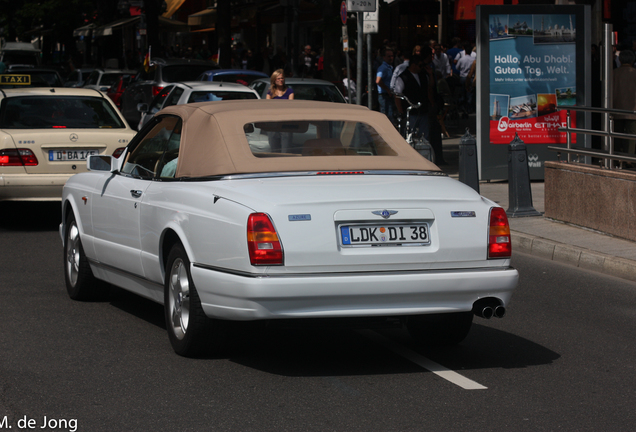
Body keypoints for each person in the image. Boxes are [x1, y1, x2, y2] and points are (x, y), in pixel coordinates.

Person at [612, 50, 636, 154]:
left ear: (620, 60)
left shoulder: (613, 73)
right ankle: (628, 159)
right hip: (633, 110)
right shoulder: (635, 73)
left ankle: (616, 158)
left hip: (616, 109)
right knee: (631, 135)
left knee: (617, 135)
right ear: (632, 60)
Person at [376, 47, 395, 122]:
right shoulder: (382, 68)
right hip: (384, 96)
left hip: (388, 95)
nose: (391, 58)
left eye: (392, 56)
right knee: (386, 117)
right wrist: (387, 89)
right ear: (384, 57)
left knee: (390, 115)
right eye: (389, 56)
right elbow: (378, 81)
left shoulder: (390, 67)